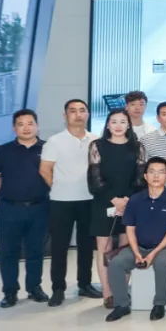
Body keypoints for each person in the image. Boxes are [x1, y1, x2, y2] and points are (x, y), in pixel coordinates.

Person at [105, 157, 166, 322]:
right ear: (145, 176)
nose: (156, 176)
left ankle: (159, 304)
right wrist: (136, 253)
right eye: (152, 172)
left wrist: (153, 254)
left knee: (161, 262)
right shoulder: (135, 200)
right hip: (138, 246)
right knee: (116, 263)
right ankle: (122, 305)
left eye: (161, 172)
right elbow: (130, 229)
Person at [41, 99, 102, 306]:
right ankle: (58, 289)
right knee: (60, 246)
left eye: (82, 110)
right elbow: (45, 169)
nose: (78, 114)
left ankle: (85, 284)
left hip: (89, 200)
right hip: (61, 201)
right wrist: (59, 186)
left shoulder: (96, 140)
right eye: (73, 111)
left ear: (88, 114)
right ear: (65, 115)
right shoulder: (55, 141)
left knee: (86, 246)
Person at [0, 109, 49, 308]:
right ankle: (10, 292)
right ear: (14, 128)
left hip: (40, 208)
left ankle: (34, 288)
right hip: (10, 209)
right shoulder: (2, 151)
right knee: (8, 252)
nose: (26, 128)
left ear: (37, 126)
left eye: (30, 123)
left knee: (36, 250)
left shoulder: (48, 149)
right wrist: (12, 193)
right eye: (21, 124)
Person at [87, 109, 146, 309]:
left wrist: (127, 200)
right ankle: (107, 293)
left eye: (122, 121)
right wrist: (114, 199)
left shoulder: (137, 147)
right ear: (107, 125)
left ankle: (121, 291)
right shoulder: (97, 146)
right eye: (114, 121)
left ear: (129, 125)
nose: (118, 125)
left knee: (125, 249)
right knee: (104, 249)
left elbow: (140, 180)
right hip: (103, 203)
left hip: (130, 204)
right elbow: (94, 179)